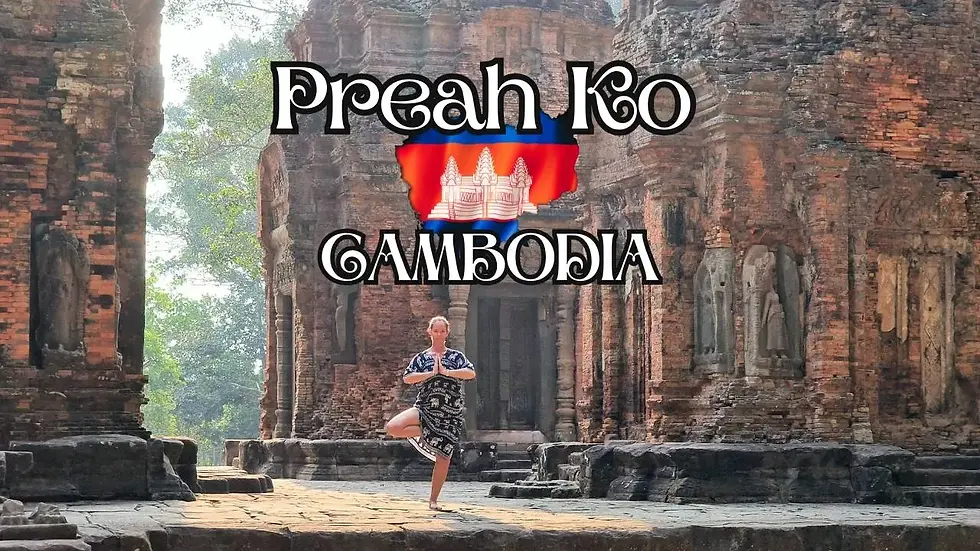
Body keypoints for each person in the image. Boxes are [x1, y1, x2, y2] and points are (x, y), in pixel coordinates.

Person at [384, 315, 476, 511]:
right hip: (425, 407)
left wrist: (447, 372)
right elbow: (408, 377)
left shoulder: (456, 357)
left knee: (443, 457)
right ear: (430, 332)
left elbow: (470, 373)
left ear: (447, 333)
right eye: (436, 331)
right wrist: (430, 374)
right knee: (393, 427)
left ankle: (433, 500)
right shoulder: (422, 357)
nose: (439, 334)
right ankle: (426, 433)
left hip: (449, 413)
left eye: (443, 331)